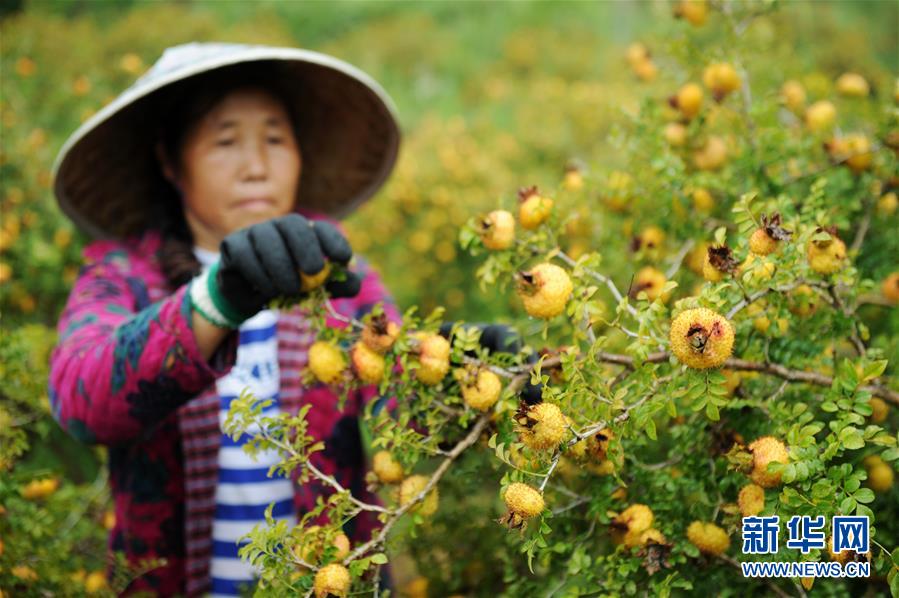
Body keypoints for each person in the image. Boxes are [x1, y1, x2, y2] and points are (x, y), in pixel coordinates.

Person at [48, 43, 536, 597]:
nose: (256, 167)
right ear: (170, 161)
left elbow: (395, 406)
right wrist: (217, 299)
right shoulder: (124, 278)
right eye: (225, 141)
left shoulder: (341, 280)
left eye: (275, 140)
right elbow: (80, 400)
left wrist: (450, 383)